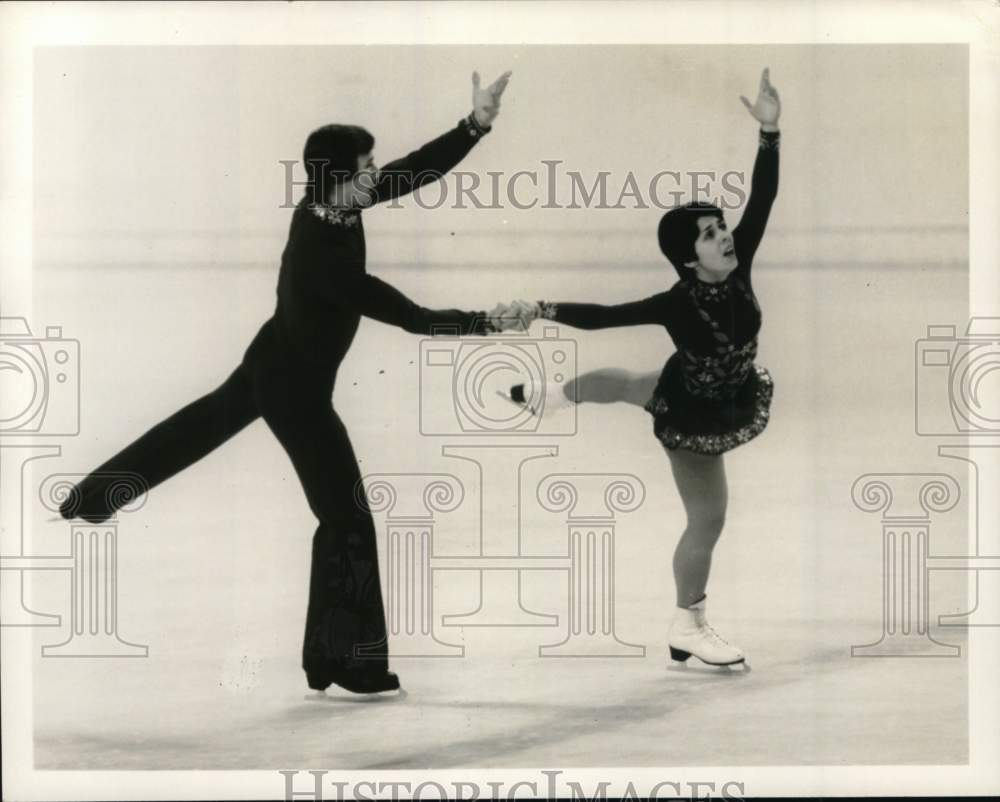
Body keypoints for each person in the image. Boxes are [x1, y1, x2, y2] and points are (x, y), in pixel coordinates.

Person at [59, 70, 515, 695]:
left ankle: (92, 497)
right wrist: (484, 323)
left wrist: (476, 125)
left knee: (198, 429)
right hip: (294, 390)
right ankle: (345, 662)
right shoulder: (324, 251)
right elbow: (409, 316)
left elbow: (415, 169)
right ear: (338, 176)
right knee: (346, 516)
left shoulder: (335, 202)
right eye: (366, 166)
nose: (376, 175)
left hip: (273, 359)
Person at [502, 68, 781, 668]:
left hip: (707, 387)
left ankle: (553, 396)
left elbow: (763, 198)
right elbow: (604, 315)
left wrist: (770, 132)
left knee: (632, 385)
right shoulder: (677, 301)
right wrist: (541, 309)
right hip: (694, 412)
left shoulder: (742, 262)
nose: (725, 237)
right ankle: (689, 623)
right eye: (710, 235)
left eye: (722, 228)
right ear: (688, 255)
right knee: (707, 520)